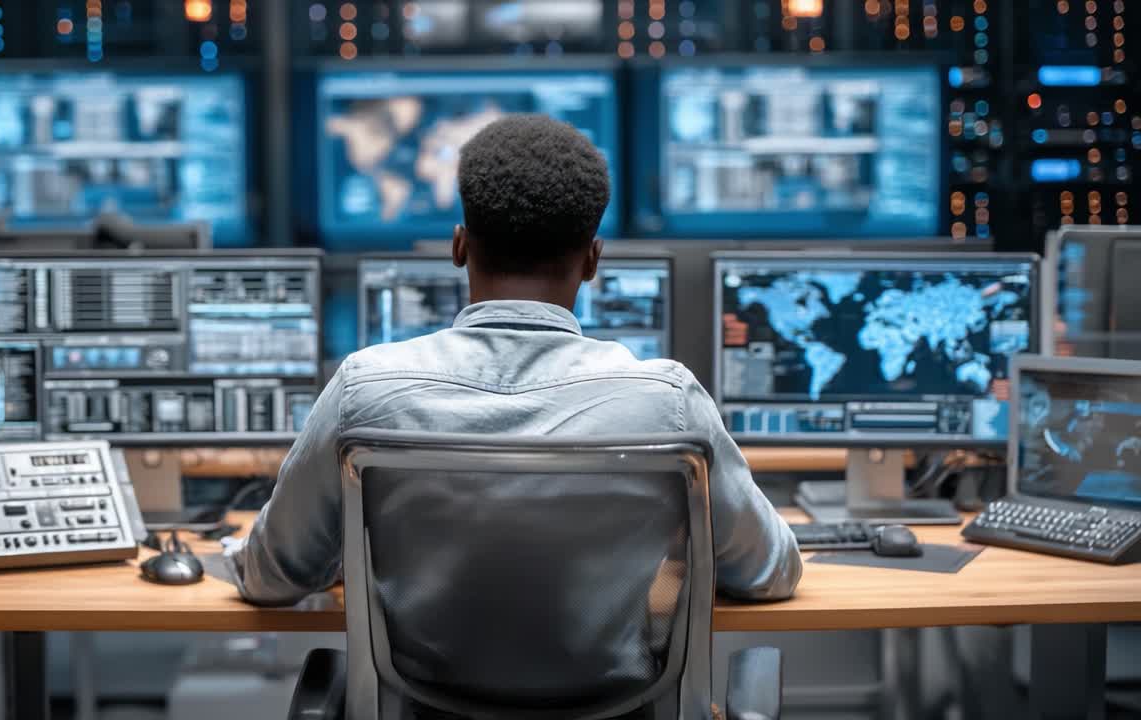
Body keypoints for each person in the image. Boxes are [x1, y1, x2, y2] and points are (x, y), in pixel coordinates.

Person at [227, 114, 801, 606]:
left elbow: (273, 576)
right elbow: (767, 572)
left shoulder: (364, 388)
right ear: (593, 260)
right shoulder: (667, 402)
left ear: (459, 247)